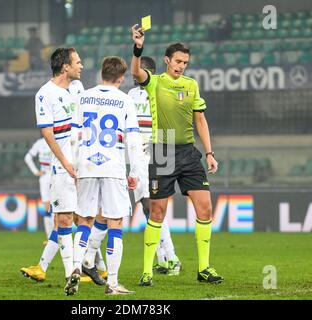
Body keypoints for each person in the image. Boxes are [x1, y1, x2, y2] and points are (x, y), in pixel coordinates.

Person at [131, 25, 224, 286]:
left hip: (188, 151)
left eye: (185, 62)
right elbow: (136, 71)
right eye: (178, 61)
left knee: (205, 208)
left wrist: (209, 152)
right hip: (163, 149)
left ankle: (204, 268)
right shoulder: (155, 81)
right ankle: (147, 270)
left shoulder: (191, 85)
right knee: (158, 212)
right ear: (167, 60)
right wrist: (138, 47)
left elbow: (201, 121)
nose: (182, 66)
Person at [67, 56, 142, 295]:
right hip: (113, 168)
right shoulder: (125, 100)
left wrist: (75, 167)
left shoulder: (83, 97)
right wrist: (136, 172)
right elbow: (133, 140)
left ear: (101, 74)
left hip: (86, 166)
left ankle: (76, 268)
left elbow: (73, 136)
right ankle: (112, 283)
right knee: (115, 223)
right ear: (121, 78)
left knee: (85, 220)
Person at [22, 48, 83, 294]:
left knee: (91, 217)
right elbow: (47, 134)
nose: (82, 65)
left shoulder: (78, 89)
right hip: (63, 168)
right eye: (78, 62)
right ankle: (71, 274)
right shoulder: (44, 94)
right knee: (65, 218)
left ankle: (90, 266)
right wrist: (66, 163)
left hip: (87, 165)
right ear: (65, 67)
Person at [127, 56, 182, 276]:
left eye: (136, 72)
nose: (133, 76)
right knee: (154, 207)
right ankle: (164, 258)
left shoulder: (133, 95)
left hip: (146, 153)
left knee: (150, 206)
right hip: (162, 149)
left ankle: (172, 258)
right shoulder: (164, 90)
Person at [24, 138, 54, 239]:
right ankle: (50, 238)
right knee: (48, 207)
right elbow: (27, 157)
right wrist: (36, 172)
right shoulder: (40, 143)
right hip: (46, 176)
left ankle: (56, 237)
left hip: (56, 175)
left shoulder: (58, 139)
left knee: (55, 206)